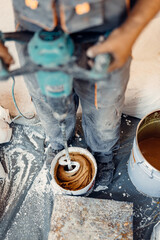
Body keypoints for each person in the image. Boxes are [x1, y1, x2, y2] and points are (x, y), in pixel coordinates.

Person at [0, 0, 160, 186]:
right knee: (47, 103)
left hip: (105, 33)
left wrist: (128, 33)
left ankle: (102, 153)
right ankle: (58, 144)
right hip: (35, 33)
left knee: (104, 108)